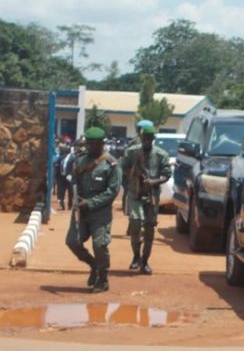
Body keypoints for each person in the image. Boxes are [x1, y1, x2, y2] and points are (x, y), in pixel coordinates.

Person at [65, 127, 122, 293]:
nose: (89, 147)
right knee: (73, 242)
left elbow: (112, 192)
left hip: (100, 213)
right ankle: (94, 265)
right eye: (88, 143)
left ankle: (103, 280)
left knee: (99, 245)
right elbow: (74, 182)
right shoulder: (80, 161)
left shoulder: (111, 164)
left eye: (93, 144)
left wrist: (90, 203)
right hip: (81, 212)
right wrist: (77, 198)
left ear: (101, 144)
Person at [121, 125, 171, 275]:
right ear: (141, 138)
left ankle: (145, 260)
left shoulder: (161, 155)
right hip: (135, 194)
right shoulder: (132, 152)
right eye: (145, 138)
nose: (147, 141)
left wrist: (154, 182)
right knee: (135, 223)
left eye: (150, 138)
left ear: (153, 139)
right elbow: (123, 168)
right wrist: (133, 179)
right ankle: (136, 255)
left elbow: (167, 174)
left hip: (152, 196)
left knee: (149, 229)